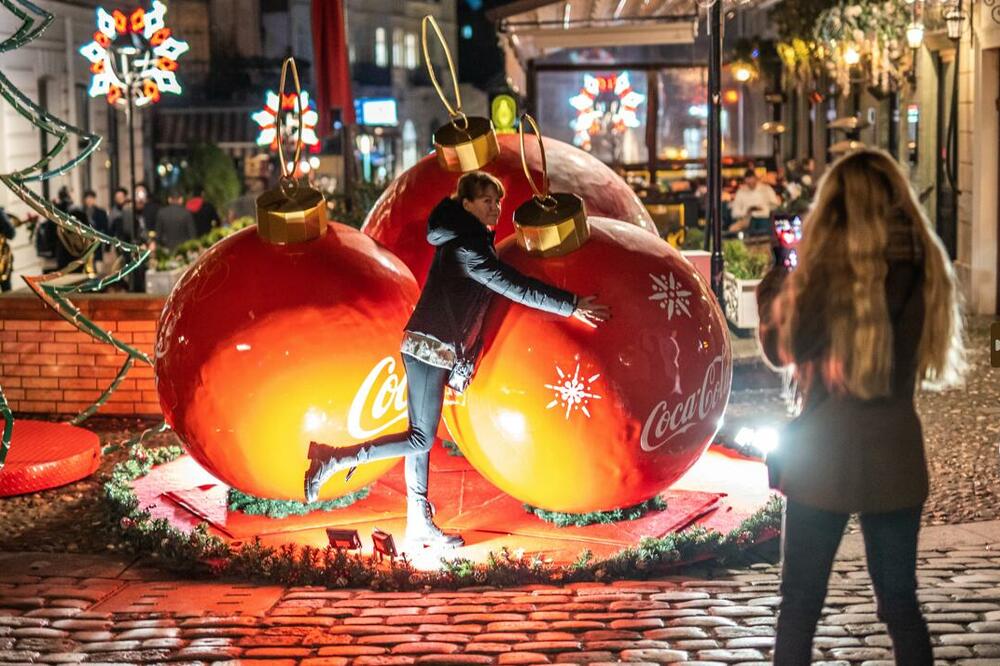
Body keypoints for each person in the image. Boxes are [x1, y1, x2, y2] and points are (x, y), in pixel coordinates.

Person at [304, 172, 611, 549]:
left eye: (497, 202)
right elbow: (512, 285)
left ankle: (419, 523)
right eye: (486, 201)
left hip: (428, 346)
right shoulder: (469, 247)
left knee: (419, 437)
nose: (495, 208)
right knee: (419, 438)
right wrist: (571, 305)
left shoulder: (464, 238)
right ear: (466, 204)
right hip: (431, 347)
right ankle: (332, 459)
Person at [756, 149, 966, 666]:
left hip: (821, 454)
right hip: (896, 452)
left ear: (834, 208)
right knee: (900, 605)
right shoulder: (922, 268)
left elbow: (780, 349)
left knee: (800, 606)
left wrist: (781, 274)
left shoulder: (824, 275)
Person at [729, 168, 780, 233]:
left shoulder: (766, 189)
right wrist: (746, 211)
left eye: (752, 182)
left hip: (764, 219)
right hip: (748, 222)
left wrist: (765, 207)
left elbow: (775, 205)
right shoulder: (741, 192)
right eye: (748, 183)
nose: (751, 185)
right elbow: (734, 213)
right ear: (745, 181)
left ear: (756, 179)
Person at [79, 190, 110, 267]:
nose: (89, 200)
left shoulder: (101, 212)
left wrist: (107, 245)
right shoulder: (81, 211)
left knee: (97, 262)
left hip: (97, 240)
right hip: (84, 240)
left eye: (91, 198)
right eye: (87, 198)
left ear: (94, 199)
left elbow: (105, 227)